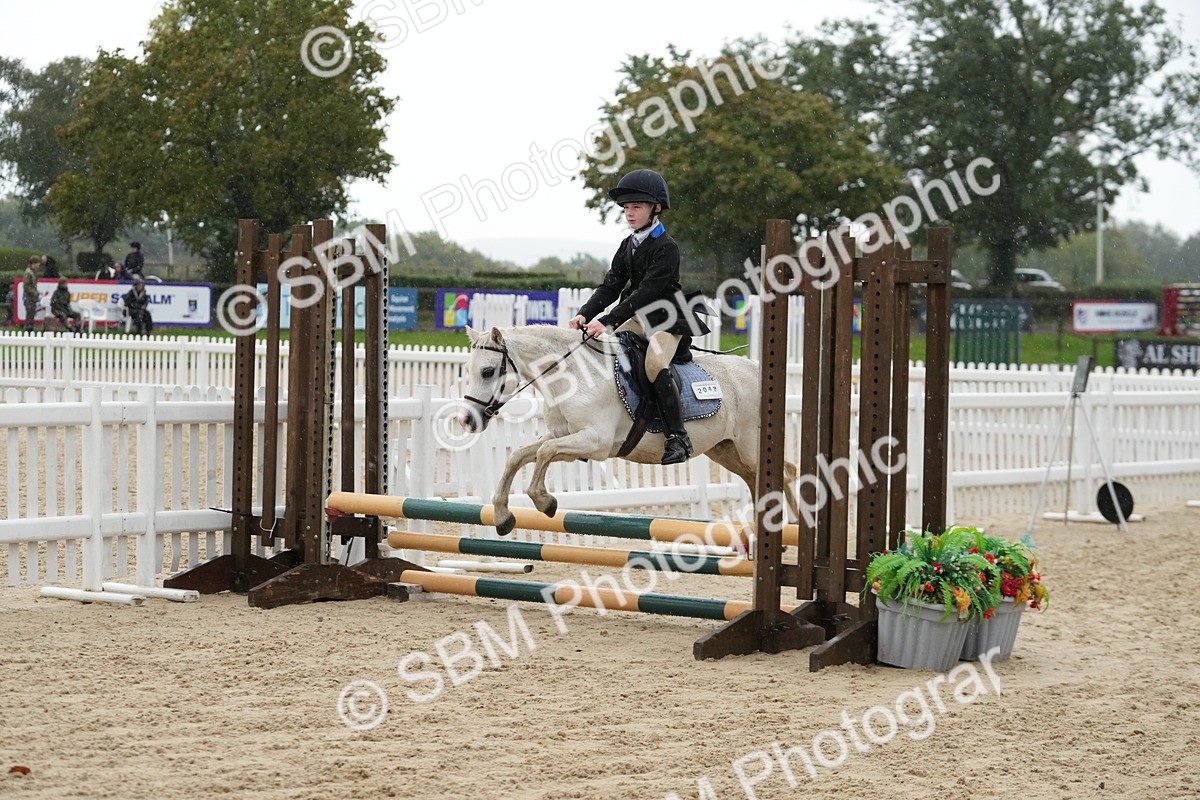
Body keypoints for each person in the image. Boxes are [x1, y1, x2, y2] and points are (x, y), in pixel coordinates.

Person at [568, 168, 710, 465]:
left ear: (655, 208)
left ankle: (678, 437)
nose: (629, 214)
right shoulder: (628, 245)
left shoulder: (666, 247)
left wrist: (607, 321)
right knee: (606, 355)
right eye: (627, 208)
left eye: (637, 207)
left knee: (655, 363)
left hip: (668, 318)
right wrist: (585, 314)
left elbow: (646, 292)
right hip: (638, 316)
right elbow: (611, 286)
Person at [22, 255, 40, 331]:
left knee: (31, 315)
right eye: (38, 263)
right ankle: (28, 332)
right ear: (34, 263)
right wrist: (34, 293)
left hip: (31, 297)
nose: (39, 265)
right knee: (30, 316)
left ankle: (29, 331)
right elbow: (26, 286)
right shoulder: (28, 273)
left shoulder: (31, 272)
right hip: (29, 298)